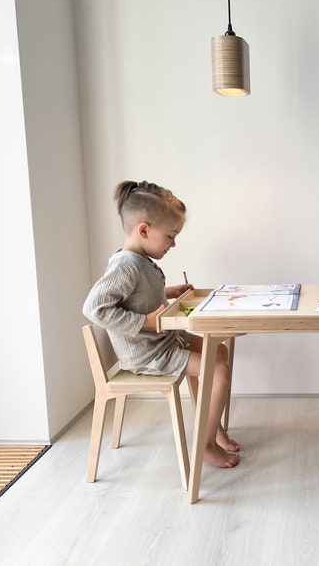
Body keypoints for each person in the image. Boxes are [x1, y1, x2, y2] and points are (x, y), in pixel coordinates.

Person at [83, 180, 239, 468]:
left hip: (164, 341)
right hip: (149, 354)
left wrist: (170, 292)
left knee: (219, 352)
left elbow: (136, 295)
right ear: (144, 230)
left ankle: (211, 423)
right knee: (220, 371)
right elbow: (94, 308)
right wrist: (146, 321)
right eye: (170, 236)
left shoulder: (139, 260)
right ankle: (204, 445)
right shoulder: (126, 264)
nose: (173, 243)